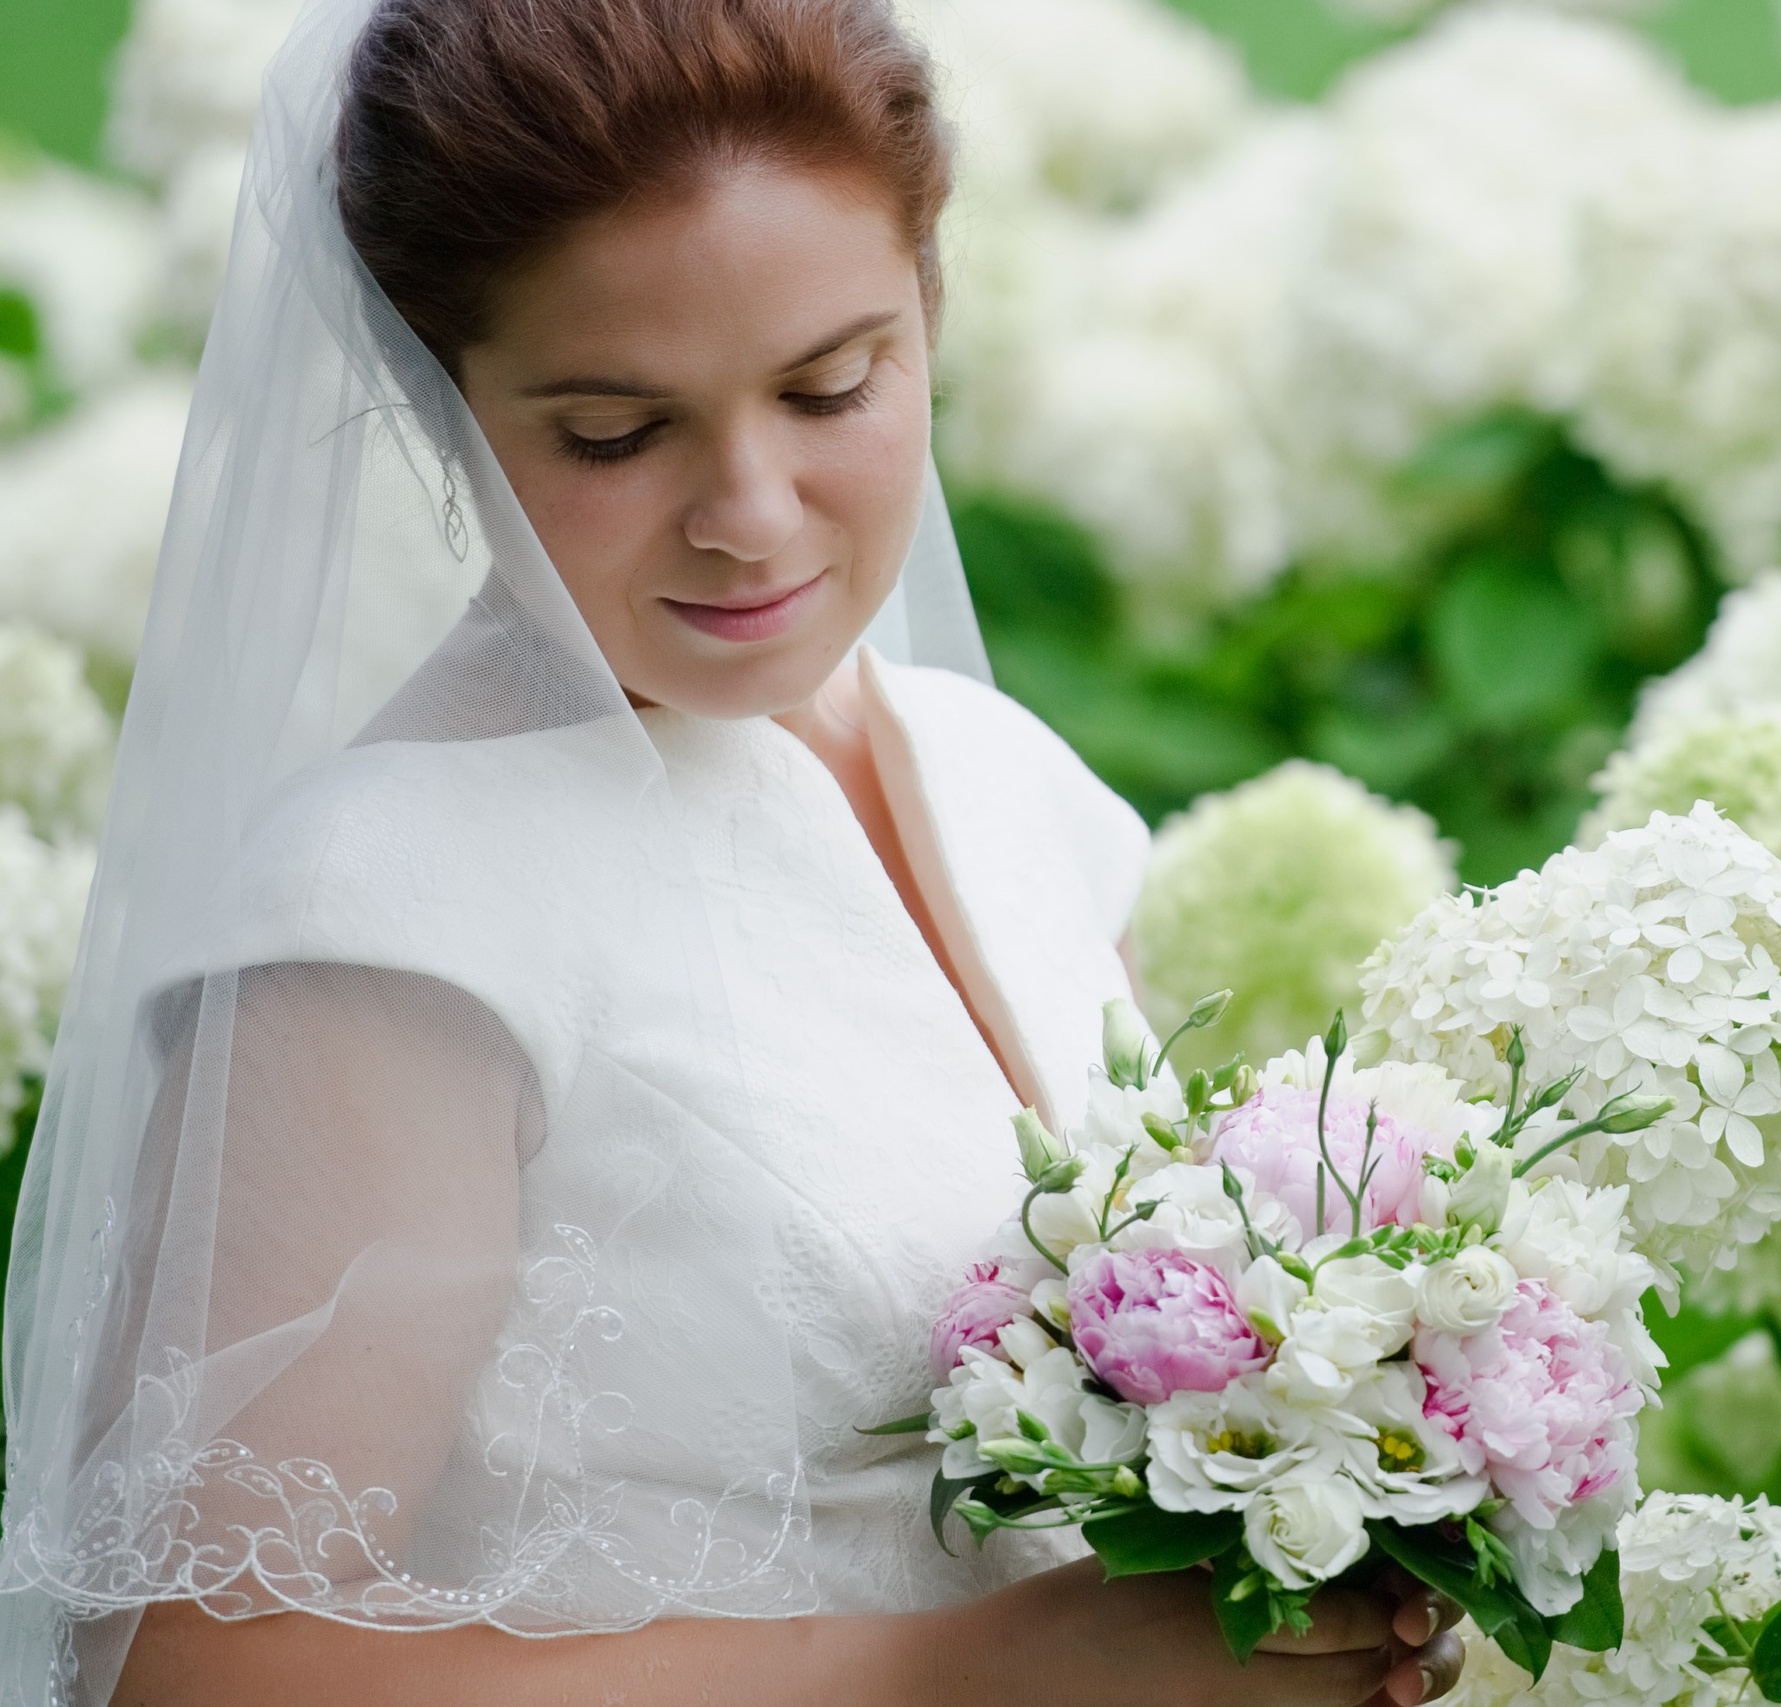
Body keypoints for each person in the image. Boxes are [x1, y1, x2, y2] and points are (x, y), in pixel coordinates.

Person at [0, 0, 1464, 1702]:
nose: (751, 514)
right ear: (441, 398)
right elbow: (193, 1667)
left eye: (829, 386)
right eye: (614, 433)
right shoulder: (389, 919)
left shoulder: (1008, 786)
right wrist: (956, 1678)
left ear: (929, 299)